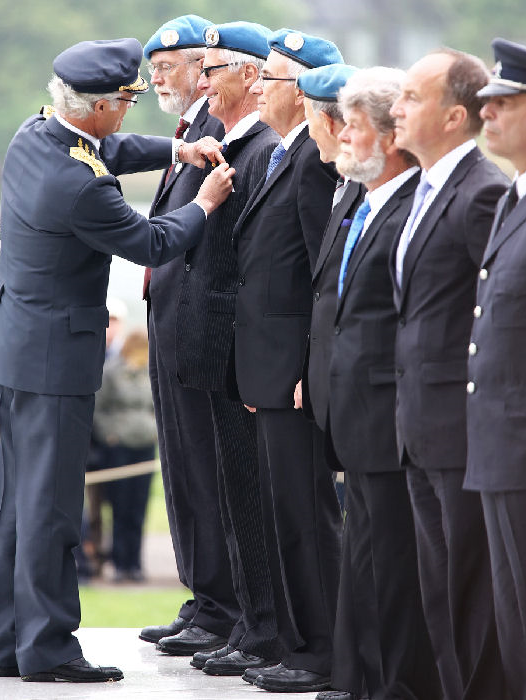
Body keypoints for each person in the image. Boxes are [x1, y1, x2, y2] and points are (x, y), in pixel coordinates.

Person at [0, 37, 234, 683]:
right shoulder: (78, 185)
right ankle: (48, 649)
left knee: (17, 504)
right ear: (99, 105)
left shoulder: (36, 133)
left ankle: (10, 637)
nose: (131, 109)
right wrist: (205, 201)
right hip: (55, 361)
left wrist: (176, 149)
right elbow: (152, 241)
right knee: (49, 510)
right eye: (126, 99)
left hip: (19, 347)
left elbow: (112, 150)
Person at [154, 22, 284, 675]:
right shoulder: (215, 141)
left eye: (211, 69)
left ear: (251, 76)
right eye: (196, 70)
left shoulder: (258, 148)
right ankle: (225, 610)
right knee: (207, 484)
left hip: (229, 350)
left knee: (241, 493)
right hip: (195, 338)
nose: (201, 83)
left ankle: (250, 621)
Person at [308, 65, 440, 700]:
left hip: (392, 421)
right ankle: (356, 678)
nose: (341, 140)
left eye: (354, 129)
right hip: (356, 418)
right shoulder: (365, 202)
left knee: (392, 570)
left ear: (389, 139)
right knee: (362, 565)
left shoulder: (415, 206)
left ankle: (393, 686)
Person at [389, 48, 509, 700]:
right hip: (420, 425)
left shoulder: (480, 191)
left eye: (411, 96)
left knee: (469, 594)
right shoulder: (429, 185)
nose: (396, 108)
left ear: (455, 115)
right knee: (439, 590)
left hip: (462, 429)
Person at [231, 30, 343, 693]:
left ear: (302, 91)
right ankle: (298, 644)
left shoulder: (312, 162)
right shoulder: (287, 156)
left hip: (293, 371)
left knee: (306, 514)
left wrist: (306, 365)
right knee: (284, 511)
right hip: (268, 366)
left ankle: (320, 650)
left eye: (269, 78)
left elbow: (319, 273)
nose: (258, 87)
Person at [139, 14, 239, 652]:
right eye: (152, 70)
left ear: (203, 65)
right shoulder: (187, 133)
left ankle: (220, 606)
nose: (156, 80)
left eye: (166, 66)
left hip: (198, 326)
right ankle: (203, 596)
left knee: (205, 467)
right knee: (179, 466)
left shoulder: (217, 129)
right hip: (170, 319)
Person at [465, 37, 526, 700]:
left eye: (505, 103)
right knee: (511, 621)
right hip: (498, 445)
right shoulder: (512, 197)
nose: (489, 115)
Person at [93, 328, 157, 583]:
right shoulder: (112, 372)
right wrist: (111, 434)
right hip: (119, 447)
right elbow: (99, 409)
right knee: (120, 506)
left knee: (139, 507)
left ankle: (135, 563)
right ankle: (120, 563)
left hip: (145, 445)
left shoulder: (150, 372)